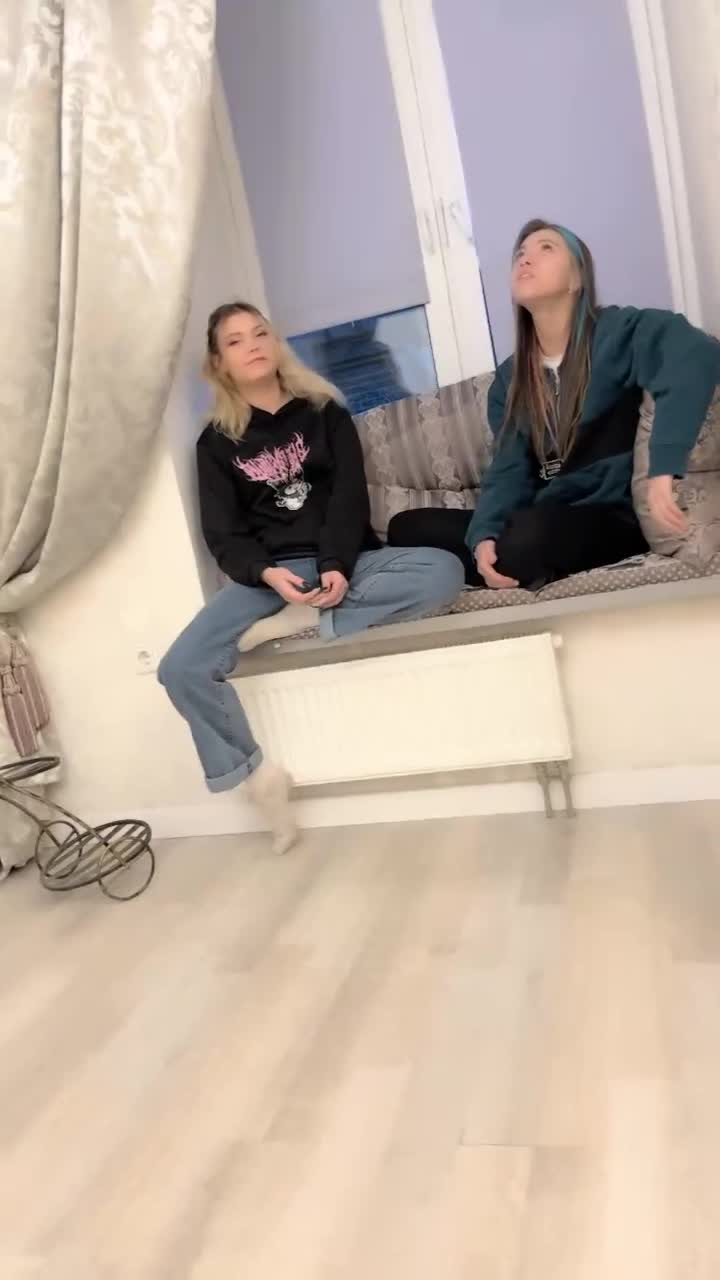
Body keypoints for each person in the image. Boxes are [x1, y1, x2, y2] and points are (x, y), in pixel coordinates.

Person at [158, 302, 464, 853]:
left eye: (260, 333)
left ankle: (303, 618)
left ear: (276, 343)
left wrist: (335, 565)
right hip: (267, 580)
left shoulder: (324, 413)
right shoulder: (215, 443)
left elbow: (347, 502)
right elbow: (224, 536)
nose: (252, 345)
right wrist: (266, 573)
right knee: (180, 667)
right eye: (235, 340)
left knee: (443, 570)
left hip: (344, 562)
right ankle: (257, 777)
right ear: (219, 363)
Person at [388, 218, 720, 590]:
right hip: (546, 514)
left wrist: (663, 468)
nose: (526, 258)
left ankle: (511, 561)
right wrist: (483, 536)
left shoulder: (622, 332)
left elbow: (698, 353)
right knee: (407, 527)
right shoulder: (511, 378)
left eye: (546, 248)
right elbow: (509, 470)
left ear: (577, 278)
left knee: (527, 537)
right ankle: (502, 562)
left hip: (611, 517)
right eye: (520, 253)